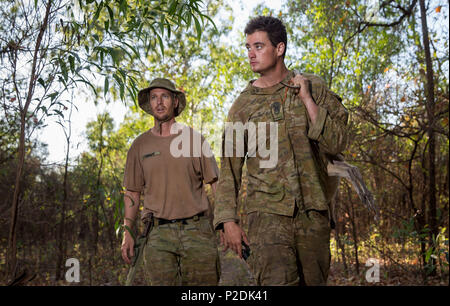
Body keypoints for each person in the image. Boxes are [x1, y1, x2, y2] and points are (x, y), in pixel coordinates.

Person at [213, 16, 349, 286]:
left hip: (313, 212)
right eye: (248, 47)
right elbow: (229, 168)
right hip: (266, 218)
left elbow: (337, 143)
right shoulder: (243, 106)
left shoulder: (313, 86)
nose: (251, 54)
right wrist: (228, 220)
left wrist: (307, 99)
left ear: (279, 48)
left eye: (259, 46)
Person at [121, 78, 220, 285]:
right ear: (149, 103)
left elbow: (217, 184)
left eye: (165, 96)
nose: (159, 102)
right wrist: (127, 232)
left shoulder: (194, 140)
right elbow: (132, 193)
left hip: (197, 231)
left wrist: (225, 223)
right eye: (154, 97)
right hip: (157, 234)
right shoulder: (139, 146)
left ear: (175, 101)